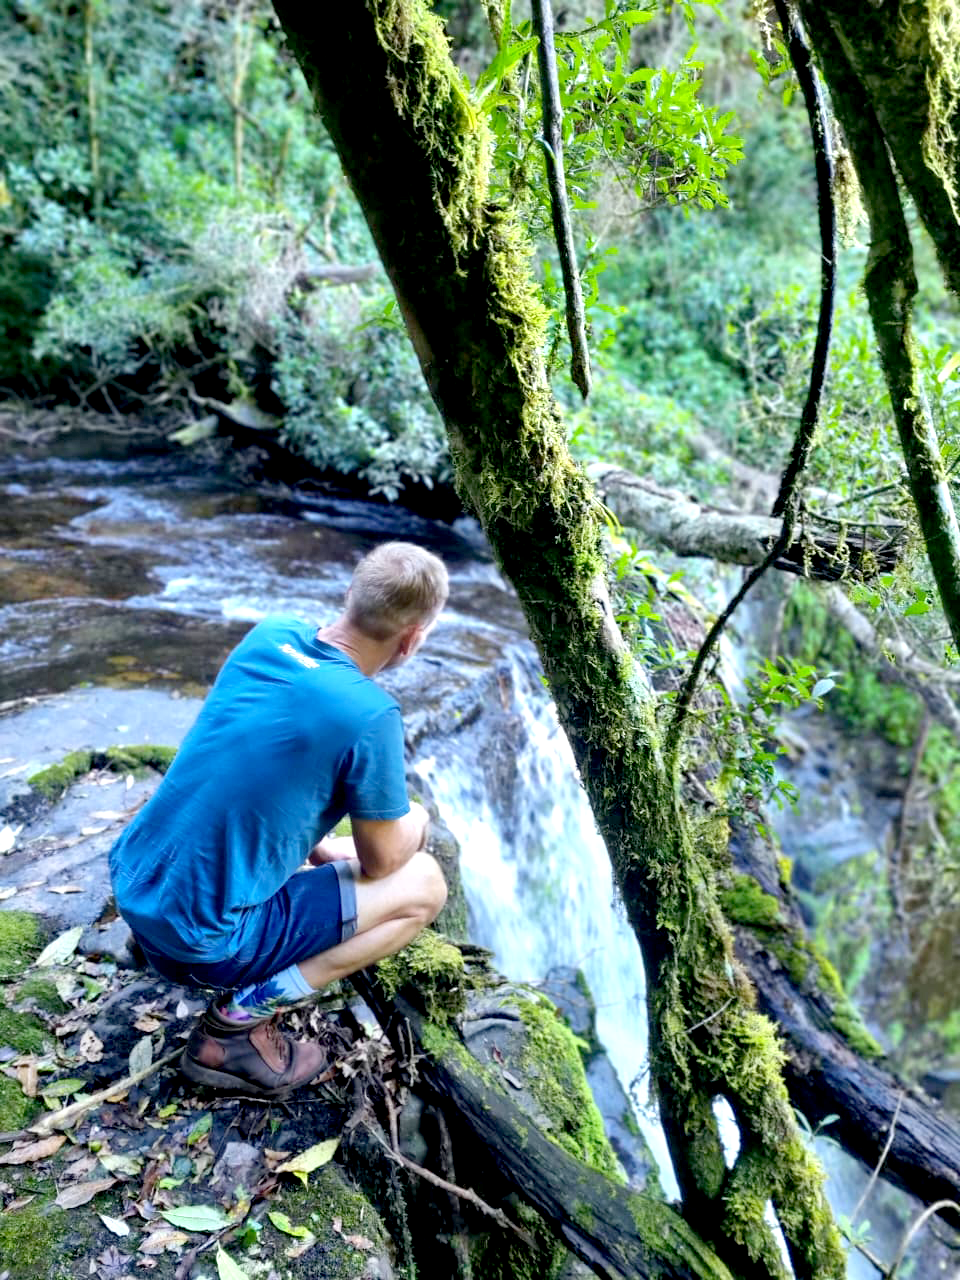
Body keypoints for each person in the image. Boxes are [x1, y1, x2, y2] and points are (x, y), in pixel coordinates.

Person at [109, 540, 449, 1100]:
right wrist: (419, 815)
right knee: (425, 885)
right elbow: (386, 860)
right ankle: (236, 1027)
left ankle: (148, 943)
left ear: (350, 596)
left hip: (136, 887)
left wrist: (327, 848)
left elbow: (259, 771)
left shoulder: (272, 634)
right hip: (203, 944)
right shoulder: (371, 715)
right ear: (412, 640)